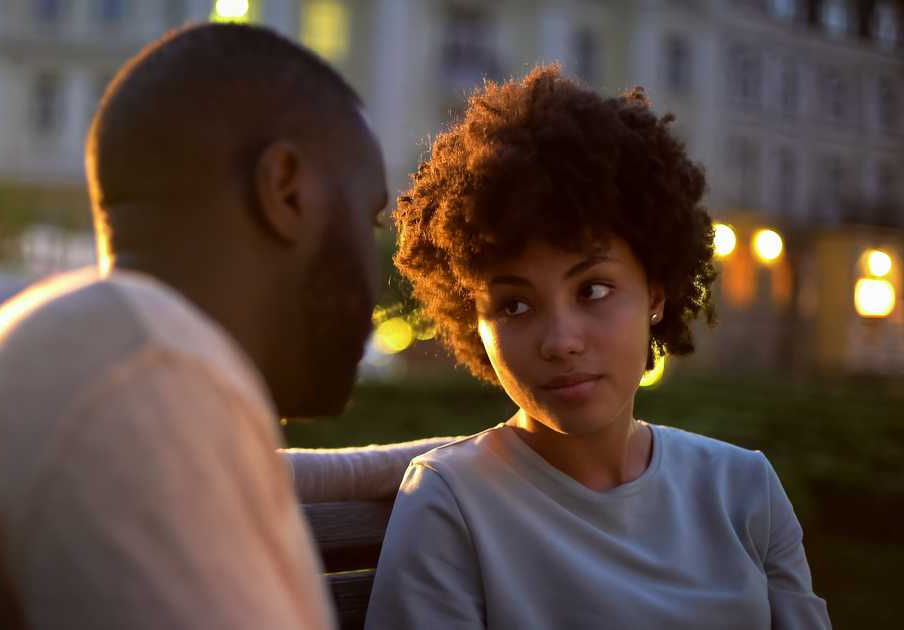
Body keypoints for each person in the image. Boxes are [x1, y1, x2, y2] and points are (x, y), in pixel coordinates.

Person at [0, 23, 387, 630]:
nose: (377, 278)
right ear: (287, 192)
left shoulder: (95, 349)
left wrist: (480, 452)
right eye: (370, 218)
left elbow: (277, 469)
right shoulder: (150, 379)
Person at [327, 66, 827, 629]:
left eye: (593, 290)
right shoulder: (453, 503)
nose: (561, 342)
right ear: (473, 321)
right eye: (514, 305)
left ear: (656, 293)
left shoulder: (743, 489)